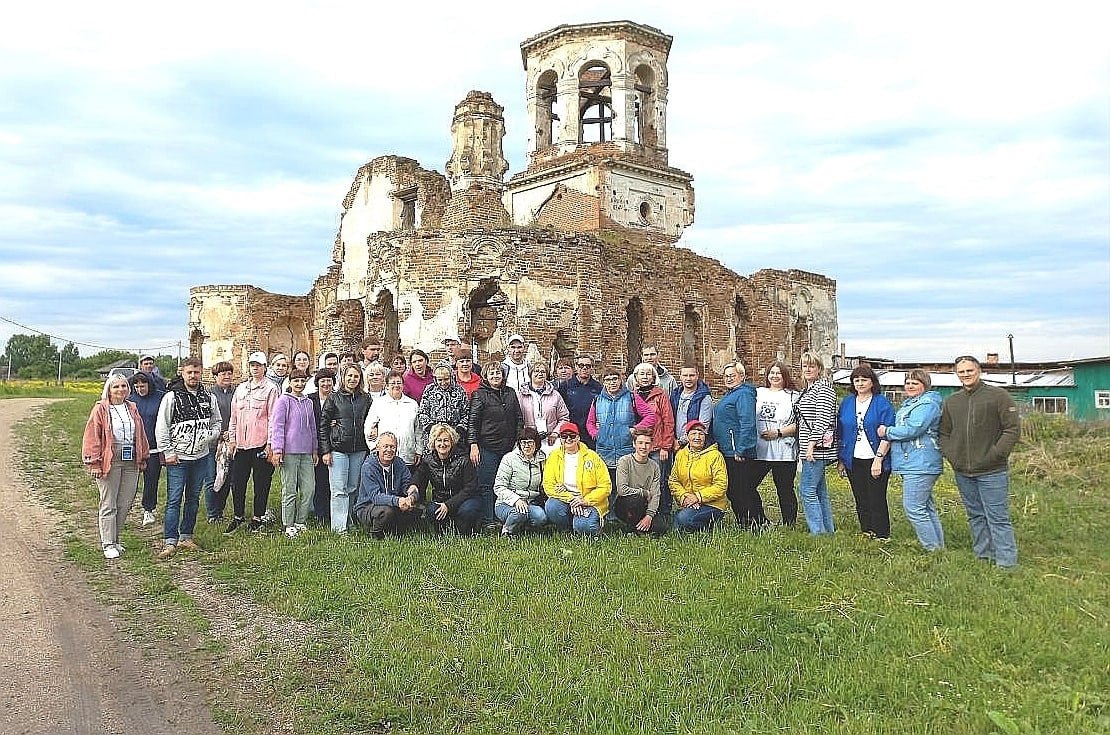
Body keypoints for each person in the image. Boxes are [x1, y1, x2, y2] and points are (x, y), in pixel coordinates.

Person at [940, 355, 1021, 568]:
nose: (966, 375)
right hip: (963, 471)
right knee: (975, 515)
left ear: (979, 371)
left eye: (970, 371)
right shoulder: (952, 401)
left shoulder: (998, 396)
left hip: (992, 470)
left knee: (998, 517)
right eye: (962, 372)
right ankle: (983, 555)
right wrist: (952, 455)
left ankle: (1006, 563)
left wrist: (996, 454)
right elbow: (944, 433)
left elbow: (1012, 429)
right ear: (956, 374)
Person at [155, 358, 221, 558]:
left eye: (197, 372)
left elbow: (217, 421)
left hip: (200, 456)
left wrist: (210, 436)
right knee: (174, 499)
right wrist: (167, 452)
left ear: (202, 373)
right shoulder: (172, 397)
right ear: (182, 373)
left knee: (193, 498)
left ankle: (186, 536)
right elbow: (162, 426)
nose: (193, 376)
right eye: (189, 372)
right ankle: (169, 541)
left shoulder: (209, 397)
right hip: (178, 458)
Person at [82, 374, 150, 559]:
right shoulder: (101, 409)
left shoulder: (132, 407)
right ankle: (108, 543)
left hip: (130, 459)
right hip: (109, 458)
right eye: (116, 387)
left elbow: (140, 433)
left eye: (123, 386)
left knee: (125, 502)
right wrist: (94, 462)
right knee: (109, 502)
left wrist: (143, 455)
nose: (120, 390)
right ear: (109, 389)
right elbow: (92, 436)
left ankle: (116, 538)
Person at [878, 369, 945, 551]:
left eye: (915, 383)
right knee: (925, 506)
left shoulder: (927, 404)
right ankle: (938, 548)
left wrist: (887, 431)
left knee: (914, 507)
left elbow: (913, 429)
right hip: (913, 461)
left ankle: (931, 548)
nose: (910, 386)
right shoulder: (911, 403)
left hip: (921, 461)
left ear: (925, 385)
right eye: (907, 382)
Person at [836, 365, 896, 539]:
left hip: (876, 457)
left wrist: (879, 459)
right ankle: (867, 531)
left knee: (876, 498)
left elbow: (888, 432)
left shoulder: (881, 402)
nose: (860, 383)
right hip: (853, 458)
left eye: (864, 380)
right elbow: (841, 431)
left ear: (872, 382)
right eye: (857, 380)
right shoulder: (847, 402)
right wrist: (842, 459)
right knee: (860, 498)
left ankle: (882, 535)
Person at [226, 351, 280, 534]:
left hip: (260, 444)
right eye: (252, 365)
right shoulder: (241, 389)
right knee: (238, 482)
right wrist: (232, 439)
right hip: (241, 444)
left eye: (259, 365)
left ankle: (258, 517)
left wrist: (271, 444)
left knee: (261, 483)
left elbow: (274, 418)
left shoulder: (271, 389)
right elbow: (233, 416)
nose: (255, 368)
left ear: (265, 367)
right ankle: (238, 516)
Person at [469, 361, 523, 527]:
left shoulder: (511, 393)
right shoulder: (479, 394)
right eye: (491, 373)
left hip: (508, 447)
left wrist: (518, 442)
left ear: (503, 375)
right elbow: (473, 421)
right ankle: (488, 519)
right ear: (485, 376)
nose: (495, 376)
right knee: (488, 484)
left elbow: (519, 419)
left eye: (498, 373)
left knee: (508, 483)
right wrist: (473, 444)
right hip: (487, 446)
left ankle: (505, 516)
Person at [319, 365, 371, 534]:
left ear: (360, 379)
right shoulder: (334, 398)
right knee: (339, 489)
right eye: (349, 376)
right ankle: (339, 528)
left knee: (352, 488)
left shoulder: (366, 398)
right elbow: (324, 425)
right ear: (343, 377)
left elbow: (371, 420)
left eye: (356, 376)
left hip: (358, 449)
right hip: (338, 449)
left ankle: (348, 520)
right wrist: (325, 451)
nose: (352, 379)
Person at [587, 367, 656, 486]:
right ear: (603, 382)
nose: (612, 382)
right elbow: (590, 422)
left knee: (627, 487)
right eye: (608, 380)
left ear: (620, 381)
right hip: (604, 451)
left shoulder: (631, 397)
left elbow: (650, 416)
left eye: (615, 379)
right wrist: (596, 434)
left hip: (626, 449)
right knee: (607, 487)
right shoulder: (597, 400)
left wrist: (634, 430)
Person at [713, 361, 761, 528]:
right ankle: (753, 520)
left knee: (739, 489)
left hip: (737, 452)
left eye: (732, 375)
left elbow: (747, 422)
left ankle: (750, 522)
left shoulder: (744, 394)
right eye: (726, 376)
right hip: (727, 450)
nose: (728, 379)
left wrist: (741, 449)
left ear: (742, 376)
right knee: (738, 488)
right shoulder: (731, 394)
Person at [270, 369, 318, 538]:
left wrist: (314, 449)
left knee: (309, 488)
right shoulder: (283, 401)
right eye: (296, 381)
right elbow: (278, 426)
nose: (299, 384)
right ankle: (288, 524)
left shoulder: (308, 402)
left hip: (306, 452)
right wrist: (277, 450)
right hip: (289, 452)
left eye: (302, 381)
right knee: (289, 489)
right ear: (290, 382)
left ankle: (301, 521)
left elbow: (312, 427)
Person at [751, 361, 800, 526]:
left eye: (779, 373)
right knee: (748, 485)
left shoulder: (793, 395)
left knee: (784, 489)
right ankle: (760, 520)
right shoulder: (758, 393)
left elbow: (800, 424)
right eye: (772, 372)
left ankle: (789, 523)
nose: (775, 376)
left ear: (785, 375)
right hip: (760, 450)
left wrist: (778, 432)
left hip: (783, 450)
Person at [795, 352, 838, 535]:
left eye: (811, 366)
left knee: (806, 489)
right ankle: (827, 530)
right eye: (805, 365)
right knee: (819, 491)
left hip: (817, 448)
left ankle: (817, 532)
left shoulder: (823, 388)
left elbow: (822, 418)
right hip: (809, 446)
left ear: (819, 369)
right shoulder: (809, 389)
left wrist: (811, 444)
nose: (807, 369)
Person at [543, 423, 611, 537]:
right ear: (560, 439)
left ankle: (591, 525)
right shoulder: (553, 457)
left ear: (578, 437)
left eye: (572, 436)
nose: (568, 439)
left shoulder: (592, 456)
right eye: (564, 436)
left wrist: (585, 501)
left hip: (588, 501)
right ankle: (567, 529)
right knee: (552, 506)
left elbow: (605, 486)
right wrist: (572, 499)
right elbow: (548, 485)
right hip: (567, 499)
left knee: (585, 527)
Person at [413, 424, 482, 535]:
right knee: (431, 510)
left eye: (446, 440)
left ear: (452, 442)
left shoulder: (464, 459)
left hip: (463, 500)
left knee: (468, 510)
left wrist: (449, 505)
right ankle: (444, 530)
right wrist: (413, 486)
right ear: (433, 443)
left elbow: (470, 488)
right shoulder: (428, 461)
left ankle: (467, 530)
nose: (442, 444)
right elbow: (419, 477)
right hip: (441, 499)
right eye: (439, 440)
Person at [354, 432, 422, 538]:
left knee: (419, 510)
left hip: (393, 503)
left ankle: (395, 531)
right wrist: (398, 501)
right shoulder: (368, 466)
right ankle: (376, 534)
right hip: (368, 507)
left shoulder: (399, 463)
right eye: (385, 446)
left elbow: (407, 484)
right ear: (377, 448)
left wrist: (411, 496)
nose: (389, 450)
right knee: (386, 512)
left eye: (392, 447)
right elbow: (375, 497)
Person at [632, 361, 677, 516]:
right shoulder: (632, 396)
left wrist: (666, 446)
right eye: (641, 374)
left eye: (648, 374)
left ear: (654, 377)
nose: (645, 377)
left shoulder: (660, 395)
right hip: (638, 445)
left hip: (658, 446)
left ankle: (663, 512)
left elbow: (668, 420)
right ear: (636, 377)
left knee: (660, 480)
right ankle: (642, 512)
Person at [669, 420, 728, 532]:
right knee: (675, 528)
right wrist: (684, 496)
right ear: (687, 436)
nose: (697, 437)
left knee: (683, 519)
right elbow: (673, 481)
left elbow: (721, 485)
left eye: (701, 433)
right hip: (688, 502)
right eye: (693, 433)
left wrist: (697, 497)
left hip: (712, 505)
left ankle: (709, 528)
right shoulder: (681, 455)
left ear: (705, 436)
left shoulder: (715, 456)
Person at [493, 427, 548, 536]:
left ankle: (522, 528)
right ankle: (507, 531)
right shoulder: (509, 459)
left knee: (541, 517)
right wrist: (516, 500)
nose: (526, 446)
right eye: (523, 442)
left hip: (530, 502)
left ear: (536, 444)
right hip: (506, 503)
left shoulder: (542, 459)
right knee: (519, 513)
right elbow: (499, 486)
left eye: (530, 442)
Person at [127, 371, 163, 527]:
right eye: (137, 386)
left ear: (149, 384)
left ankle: (149, 508)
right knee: (130, 480)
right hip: (133, 447)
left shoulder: (161, 398)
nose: (140, 388)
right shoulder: (130, 401)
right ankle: (124, 508)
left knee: (151, 480)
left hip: (153, 447)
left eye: (143, 385)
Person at [614, 429, 665, 535]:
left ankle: (641, 526)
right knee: (637, 499)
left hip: (645, 505)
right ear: (634, 444)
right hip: (625, 504)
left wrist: (649, 516)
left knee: (660, 528)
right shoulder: (625, 461)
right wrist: (644, 492)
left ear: (651, 446)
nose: (643, 447)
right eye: (640, 443)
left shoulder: (654, 466)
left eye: (647, 443)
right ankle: (631, 528)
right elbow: (622, 490)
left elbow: (655, 494)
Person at [365, 371, 421, 469]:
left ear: (403, 385)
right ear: (386, 386)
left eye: (399, 383)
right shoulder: (379, 403)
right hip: (385, 456)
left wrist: (419, 451)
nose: (396, 386)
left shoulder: (412, 404)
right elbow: (369, 426)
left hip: (407, 455)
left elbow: (418, 430)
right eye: (392, 383)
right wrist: (374, 447)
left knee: (406, 483)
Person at [203, 361, 235, 523]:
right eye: (223, 374)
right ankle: (212, 514)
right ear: (215, 377)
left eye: (229, 373)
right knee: (211, 478)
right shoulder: (209, 394)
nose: (227, 376)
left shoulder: (236, 392)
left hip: (230, 442)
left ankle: (220, 511)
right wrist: (218, 433)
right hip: (212, 443)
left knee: (226, 478)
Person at [517, 362, 570, 454]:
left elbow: (564, 417)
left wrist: (555, 433)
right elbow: (516, 418)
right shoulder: (520, 395)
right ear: (530, 374)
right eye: (536, 371)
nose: (540, 373)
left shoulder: (555, 395)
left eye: (543, 371)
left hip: (550, 440)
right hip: (529, 440)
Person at [416, 365, 470, 454]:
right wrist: (430, 427)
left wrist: (460, 429)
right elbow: (422, 412)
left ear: (451, 377)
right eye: (440, 379)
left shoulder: (460, 390)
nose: (443, 382)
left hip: (455, 434)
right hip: (434, 434)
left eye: (446, 379)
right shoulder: (430, 390)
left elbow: (466, 413)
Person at [308, 367, 336, 525]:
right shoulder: (310, 399)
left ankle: (330, 511)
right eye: (322, 381)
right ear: (317, 383)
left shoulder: (338, 398)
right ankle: (319, 513)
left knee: (331, 481)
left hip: (333, 445)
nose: (326, 384)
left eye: (329, 381)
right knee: (318, 481)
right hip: (314, 445)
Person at [558, 354, 602, 449]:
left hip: (590, 433)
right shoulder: (565, 386)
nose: (584, 368)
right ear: (576, 367)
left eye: (588, 366)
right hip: (571, 432)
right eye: (581, 365)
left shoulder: (598, 387)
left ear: (592, 368)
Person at [671, 364, 713, 448]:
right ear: (680, 377)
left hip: (695, 444)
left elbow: (703, 426)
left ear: (697, 376)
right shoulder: (675, 395)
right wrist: (673, 440)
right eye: (685, 375)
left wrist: (680, 442)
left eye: (692, 375)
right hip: (675, 444)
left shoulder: (704, 397)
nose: (688, 378)